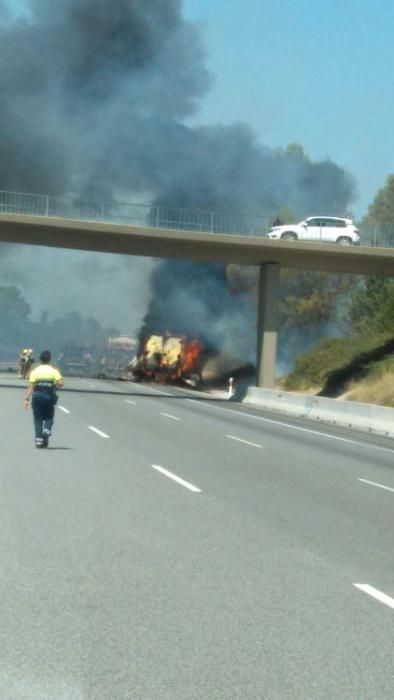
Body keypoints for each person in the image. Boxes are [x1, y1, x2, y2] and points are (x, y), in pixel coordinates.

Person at [24, 350, 64, 448]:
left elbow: (31, 387)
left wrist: (26, 399)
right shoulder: (54, 371)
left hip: (37, 397)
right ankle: (46, 430)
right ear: (49, 359)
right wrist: (54, 386)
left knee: (38, 419)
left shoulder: (35, 372)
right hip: (49, 397)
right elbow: (61, 383)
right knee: (49, 417)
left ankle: (38, 441)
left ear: (40, 359)